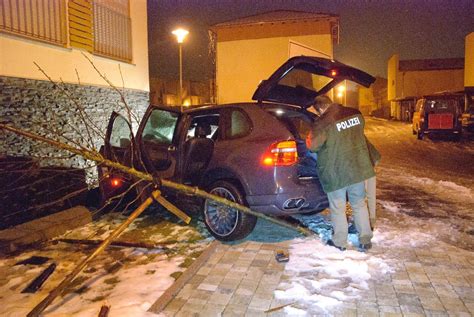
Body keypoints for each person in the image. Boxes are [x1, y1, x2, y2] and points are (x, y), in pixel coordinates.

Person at [306, 95, 375, 252]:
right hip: (357, 168)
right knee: (359, 204)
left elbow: (313, 146)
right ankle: (365, 239)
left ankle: (340, 242)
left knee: (338, 207)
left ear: (320, 109)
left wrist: (309, 138)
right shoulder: (355, 114)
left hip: (336, 171)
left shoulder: (323, 122)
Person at [365, 139, 380, 230]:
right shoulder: (359, 133)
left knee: (358, 199)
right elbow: (376, 157)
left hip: (359, 169)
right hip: (369, 166)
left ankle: (364, 224)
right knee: (371, 195)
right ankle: (371, 222)